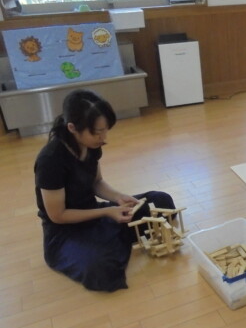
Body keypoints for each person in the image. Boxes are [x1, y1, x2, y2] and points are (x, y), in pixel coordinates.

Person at [34, 89, 176, 292]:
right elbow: (58, 215)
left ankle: (112, 237)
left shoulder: (90, 144)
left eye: (105, 130)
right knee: (102, 269)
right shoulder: (50, 160)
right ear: (72, 127)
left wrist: (119, 197)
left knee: (161, 201)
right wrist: (107, 212)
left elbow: (96, 182)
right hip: (65, 232)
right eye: (97, 132)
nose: (104, 137)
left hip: (94, 214)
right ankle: (112, 240)